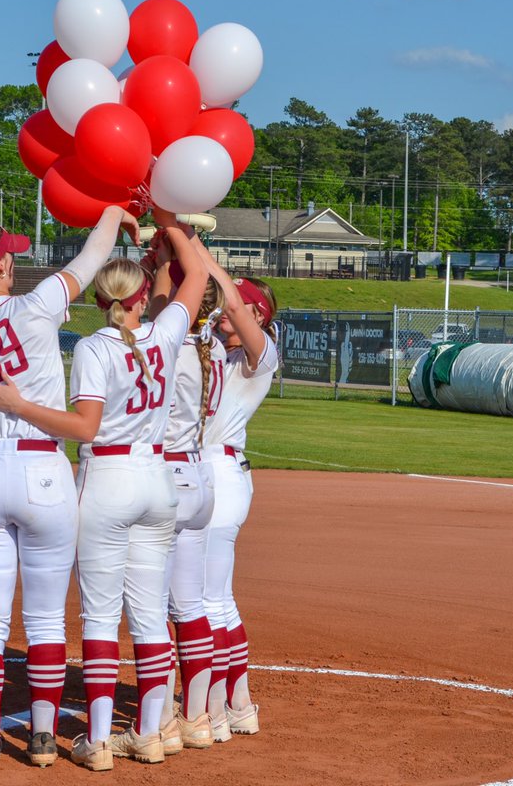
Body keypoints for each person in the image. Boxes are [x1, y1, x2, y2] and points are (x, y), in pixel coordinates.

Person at [0, 219, 207, 771]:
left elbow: (85, 426)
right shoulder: (166, 333)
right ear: (141, 297)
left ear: (100, 300)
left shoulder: (91, 348)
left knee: (101, 619)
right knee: (149, 616)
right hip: (158, 480)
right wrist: (172, 227)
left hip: (108, 478)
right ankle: (149, 733)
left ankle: (99, 741)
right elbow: (197, 274)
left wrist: (18, 406)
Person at [0, 206, 138, 773]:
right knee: (45, 620)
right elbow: (93, 256)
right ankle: (43, 738)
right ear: (1, 267)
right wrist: (115, 213)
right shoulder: (38, 303)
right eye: (11, 256)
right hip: (45, 471)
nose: (15, 262)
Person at [143, 217, 227, 755]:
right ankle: (197, 718)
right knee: (191, 607)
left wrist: (160, 262)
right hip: (200, 475)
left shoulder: (170, 343)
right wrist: (171, 254)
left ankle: (160, 723)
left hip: (167, 476)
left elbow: (159, 310)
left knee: (152, 609)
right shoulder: (212, 345)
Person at [191, 237, 279, 739]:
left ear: (257, 315)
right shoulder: (213, 349)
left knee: (207, 600)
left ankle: (215, 711)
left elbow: (227, 299)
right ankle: (238, 703)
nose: (227, 308)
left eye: (239, 304)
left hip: (222, 476)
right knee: (215, 598)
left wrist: (193, 238)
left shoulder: (259, 356)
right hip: (203, 472)